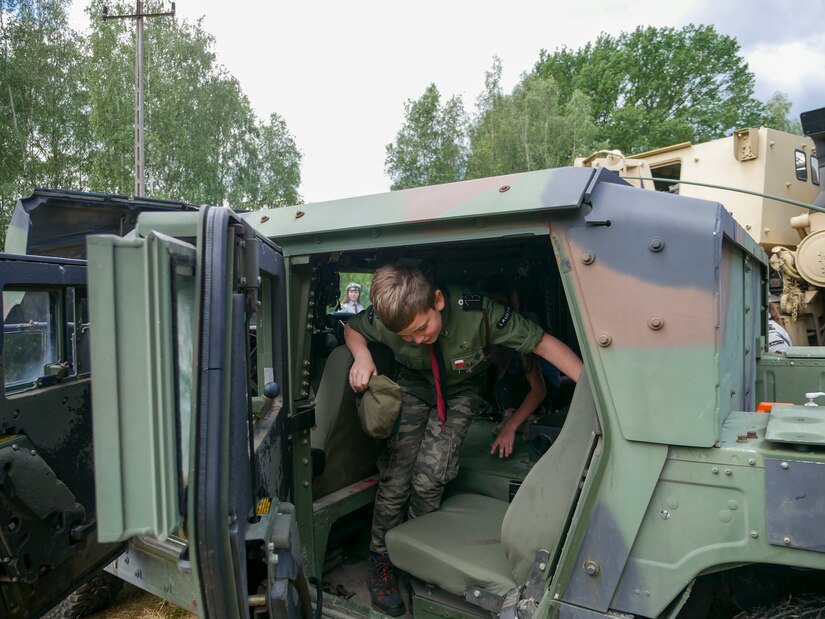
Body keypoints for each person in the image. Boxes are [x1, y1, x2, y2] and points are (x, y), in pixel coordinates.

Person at [344, 265, 582, 615]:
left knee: (431, 476)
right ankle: (381, 559)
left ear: (437, 301)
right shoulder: (386, 318)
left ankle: (415, 552)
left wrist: (597, 397)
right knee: (397, 476)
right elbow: (352, 328)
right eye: (407, 337)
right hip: (412, 383)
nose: (418, 340)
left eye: (423, 328)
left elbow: (543, 344)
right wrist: (362, 355)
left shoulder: (480, 312)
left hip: (460, 390)